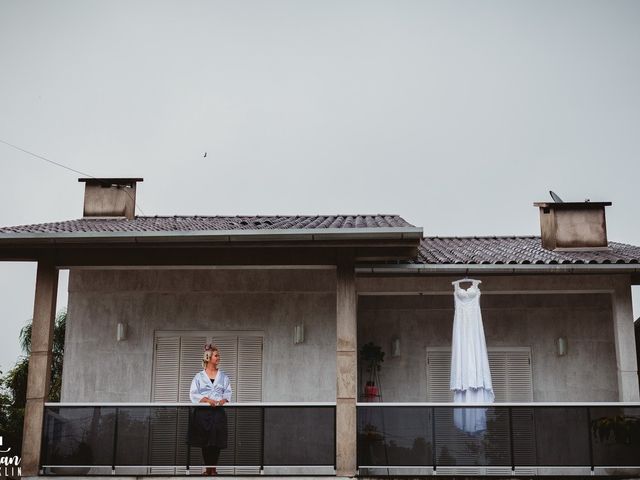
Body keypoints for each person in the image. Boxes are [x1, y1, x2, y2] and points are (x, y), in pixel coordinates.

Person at [189, 344, 232, 476]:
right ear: (208, 357)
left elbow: (228, 392)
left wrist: (222, 401)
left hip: (218, 412)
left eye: (218, 355)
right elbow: (193, 394)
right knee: (206, 441)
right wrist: (208, 400)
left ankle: (213, 469)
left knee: (216, 441)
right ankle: (208, 469)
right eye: (216, 355)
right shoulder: (199, 376)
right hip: (203, 413)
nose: (219, 357)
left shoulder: (223, 376)